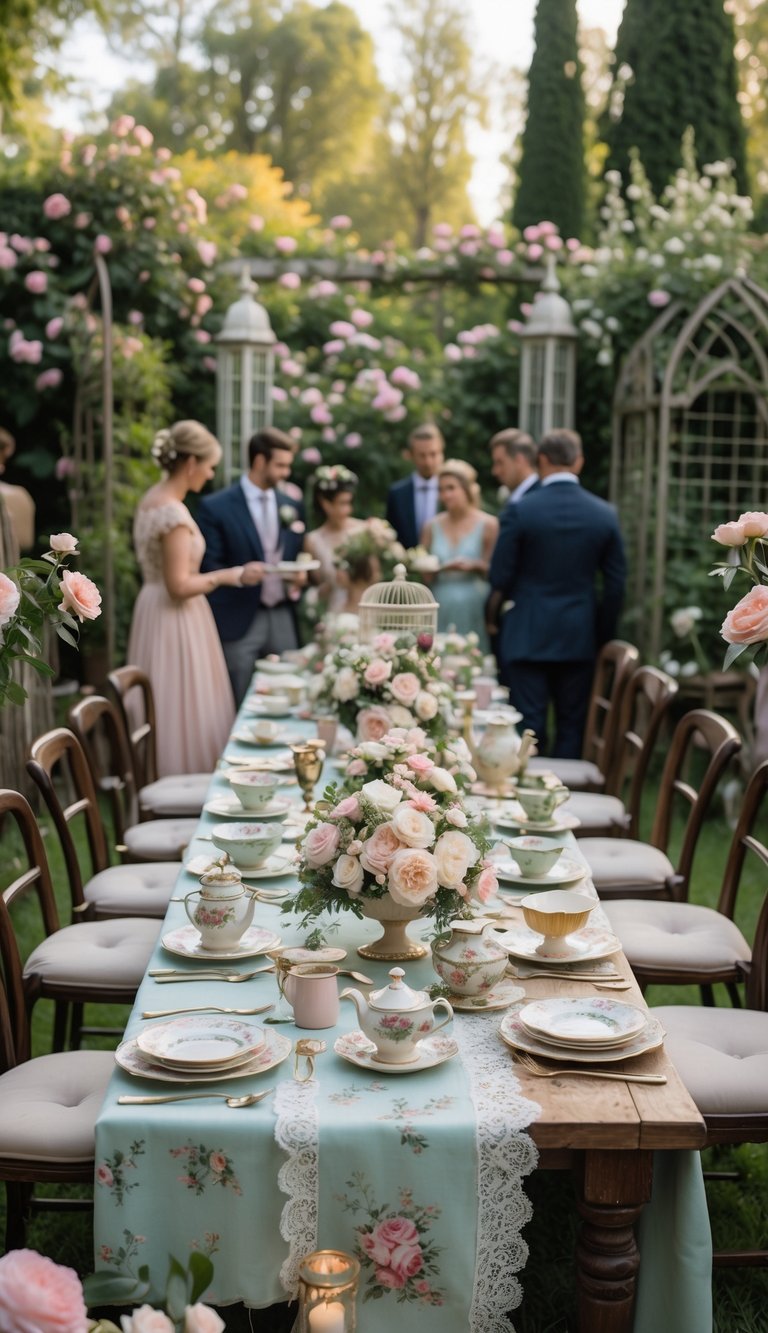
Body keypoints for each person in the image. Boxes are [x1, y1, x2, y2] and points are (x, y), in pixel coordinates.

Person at [127, 420, 260, 776]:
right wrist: (227, 576)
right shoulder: (173, 513)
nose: (211, 473)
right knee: (181, 700)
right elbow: (179, 585)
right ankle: (182, 776)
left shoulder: (148, 502)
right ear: (190, 464)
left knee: (168, 696)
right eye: (210, 465)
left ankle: (163, 775)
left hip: (151, 610)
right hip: (176, 615)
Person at [489, 428, 626, 759]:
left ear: (542, 460)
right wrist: (601, 634)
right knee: (572, 726)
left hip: (526, 633)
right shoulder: (604, 514)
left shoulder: (520, 510)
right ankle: (567, 801)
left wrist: (496, 619)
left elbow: (499, 576)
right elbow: (616, 585)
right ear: (579, 461)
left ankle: (525, 802)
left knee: (529, 728)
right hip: (579, 637)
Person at [197, 425, 305, 706]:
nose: (286, 473)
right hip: (238, 617)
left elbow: (296, 552)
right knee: (237, 695)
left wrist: (298, 578)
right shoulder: (216, 506)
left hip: (282, 614)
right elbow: (209, 564)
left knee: (290, 693)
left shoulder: (291, 504)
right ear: (259, 461)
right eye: (280, 465)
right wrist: (241, 576)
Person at [421, 459, 498, 651]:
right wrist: (433, 568)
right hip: (440, 602)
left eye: (451, 488)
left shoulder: (489, 524)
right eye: (441, 489)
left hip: (474, 605)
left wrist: (475, 566)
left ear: (467, 489)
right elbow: (423, 572)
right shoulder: (431, 526)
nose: (445, 495)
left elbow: (496, 571)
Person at [486, 428, 539, 657]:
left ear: (519, 460)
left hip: (527, 622)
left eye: (500, 462)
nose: (495, 471)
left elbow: (502, 573)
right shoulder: (518, 501)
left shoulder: (529, 504)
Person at [303, 464, 363, 615]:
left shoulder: (363, 530)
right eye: (342, 503)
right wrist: (332, 584)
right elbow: (318, 588)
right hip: (333, 614)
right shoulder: (312, 540)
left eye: (349, 502)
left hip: (364, 608)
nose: (348, 509)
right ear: (326, 504)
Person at [386, 422, 445, 549]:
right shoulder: (397, 494)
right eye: (422, 455)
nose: (428, 461)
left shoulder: (453, 491)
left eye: (433, 454)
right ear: (411, 455)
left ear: (442, 453)